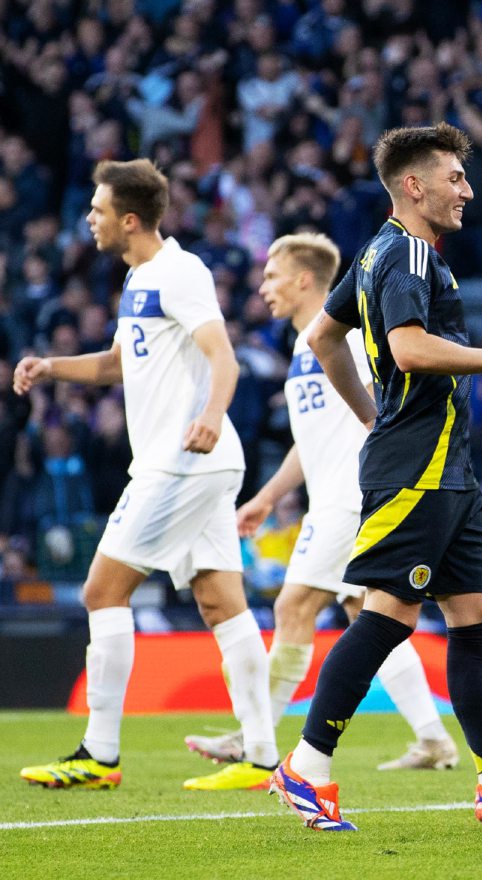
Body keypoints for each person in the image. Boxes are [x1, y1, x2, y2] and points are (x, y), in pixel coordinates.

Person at [268, 123, 482, 832]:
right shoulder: (407, 252)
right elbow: (408, 350)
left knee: (477, 617)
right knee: (387, 615)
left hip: (446, 468)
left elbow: (323, 336)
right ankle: (306, 766)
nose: (468, 191)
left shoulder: (379, 249)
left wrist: (372, 411)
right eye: (455, 179)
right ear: (415, 186)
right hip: (418, 469)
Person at [17, 159, 276, 791]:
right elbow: (115, 364)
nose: (90, 220)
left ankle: (99, 754)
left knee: (102, 592)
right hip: (201, 463)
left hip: (182, 460)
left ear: (129, 219)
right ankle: (263, 754)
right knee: (220, 602)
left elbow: (225, 358)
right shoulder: (139, 279)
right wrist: (51, 366)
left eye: (99, 211)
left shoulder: (179, 273)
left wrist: (211, 415)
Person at [183, 233, 459, 775]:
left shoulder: (350, 335)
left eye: (272, 275)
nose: (263, 287)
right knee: (367, 611)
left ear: (305, 279)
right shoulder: (299, 346)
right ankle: (433, 739)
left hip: (352, 494)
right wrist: (265, 498)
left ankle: (252, 739)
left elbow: (384, 405)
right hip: (333, 492)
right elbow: (310, 439)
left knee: (293, 608)